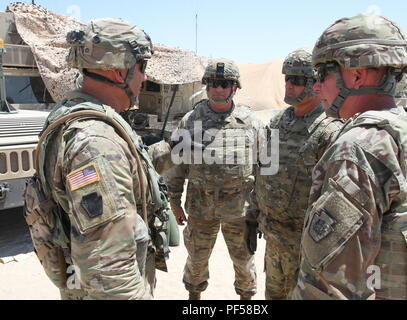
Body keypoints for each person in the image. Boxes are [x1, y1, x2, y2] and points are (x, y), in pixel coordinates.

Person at [292, 14, 407, 300]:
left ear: (356, 75)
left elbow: (327, 284)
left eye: (323, 74)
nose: (316, 87)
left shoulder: (360, 148)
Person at [24, 18, 173, 300]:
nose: (144, 78)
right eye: (142, 68)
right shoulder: (96, 141)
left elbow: (127, 173)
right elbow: (110, 271)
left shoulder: (76, 113)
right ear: (119, 71)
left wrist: (171, 150)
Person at [244, 49, 343, 300]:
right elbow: (263, 171)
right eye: (287, 78)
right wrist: (252, 215)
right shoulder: (278, 123)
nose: (289, 85)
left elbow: (337, 200)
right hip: (275, 240)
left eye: (297, 80)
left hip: (307, 250)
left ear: (316, 85)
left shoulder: (330, 130)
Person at [167, 59, 263, 300]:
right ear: (206, 86)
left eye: (224, 84)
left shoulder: (251, 123)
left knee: (244, 262)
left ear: (235, 87)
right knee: (196, 261)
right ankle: (194, 301)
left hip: (240, 211)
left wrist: (262, 208)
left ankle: (245, 301)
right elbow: (177, 166)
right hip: (201, 210)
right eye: (213, 83)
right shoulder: (190, 121)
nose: (218, 88)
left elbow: (265, 168)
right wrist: (175, 202)